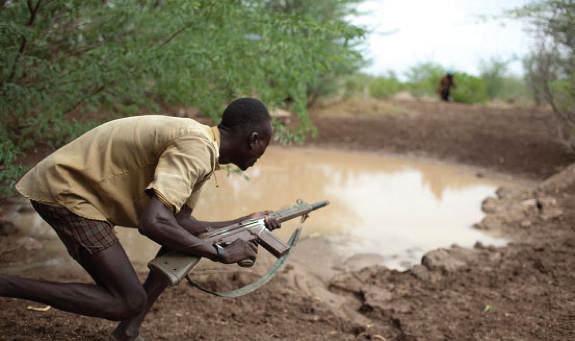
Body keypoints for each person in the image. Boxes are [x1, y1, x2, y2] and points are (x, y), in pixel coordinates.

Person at [0, 97, 280, 341]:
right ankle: (6, 285)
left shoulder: (204, 150)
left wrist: (244, 223)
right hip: (66, 191)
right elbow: (153, 223)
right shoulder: (197, 148)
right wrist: (219, 253)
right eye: (265, 144)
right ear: (253, 139)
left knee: (178, 244)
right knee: (128, 301)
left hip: (79, 193)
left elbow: (181, 224)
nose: (262, 154)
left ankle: (127, 333)